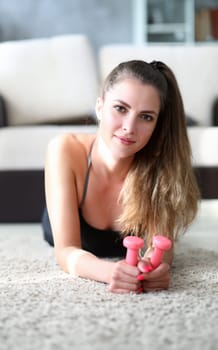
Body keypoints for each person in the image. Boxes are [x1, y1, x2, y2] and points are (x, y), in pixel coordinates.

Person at [42, 60, 200, 294]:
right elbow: (66, 251)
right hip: (61, 225)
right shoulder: (64, 149)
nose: (129, 127)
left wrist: (157, 266)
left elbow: (163, 243)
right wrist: (110, 272)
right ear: (99, 107)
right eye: (121, 108)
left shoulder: (159, 167)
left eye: (146, 117)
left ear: (157, 124)